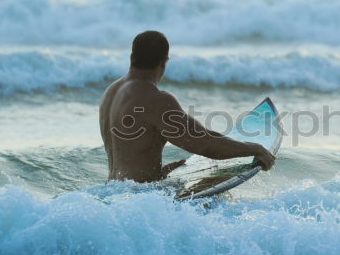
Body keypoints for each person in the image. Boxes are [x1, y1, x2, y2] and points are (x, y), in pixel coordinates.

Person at [99, 30, 276, 183]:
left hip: (116, 192)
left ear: (132, 57)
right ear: (164, 62)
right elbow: (204, 143)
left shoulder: (111, 92)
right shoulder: (155, 99)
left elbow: (129, 159)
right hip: (138, 199)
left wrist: (155, 174)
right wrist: (255, 148)